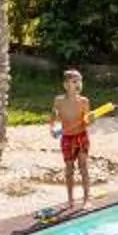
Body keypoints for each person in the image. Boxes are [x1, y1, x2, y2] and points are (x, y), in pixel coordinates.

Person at [50, 70, 95, 208]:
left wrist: (90, 120)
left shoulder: (84, 101)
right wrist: (53, 128)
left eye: (79, 81)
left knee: (83, 167)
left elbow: (87, 122)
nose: (78, 84)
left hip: (81, 136)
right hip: (67, 138)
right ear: (65, 85)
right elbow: (54, 118)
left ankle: (87, 198)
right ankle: (70, 200)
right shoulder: (59, 101)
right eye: (74, 81)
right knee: (69, 170)